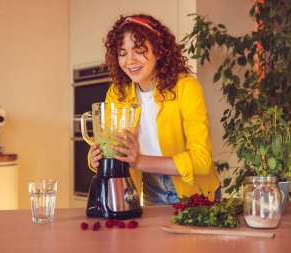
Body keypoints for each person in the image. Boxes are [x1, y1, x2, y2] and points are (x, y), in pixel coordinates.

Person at [88, 14, 221, 206]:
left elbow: (201, 162)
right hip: (151, 189)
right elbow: (111, 145)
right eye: (122, 53)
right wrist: (95, 158)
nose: (129, 61)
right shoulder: (117, 94)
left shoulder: (186, 88)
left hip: (195, 192)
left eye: (139, 50)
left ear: (158, 51)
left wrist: (139, 161)